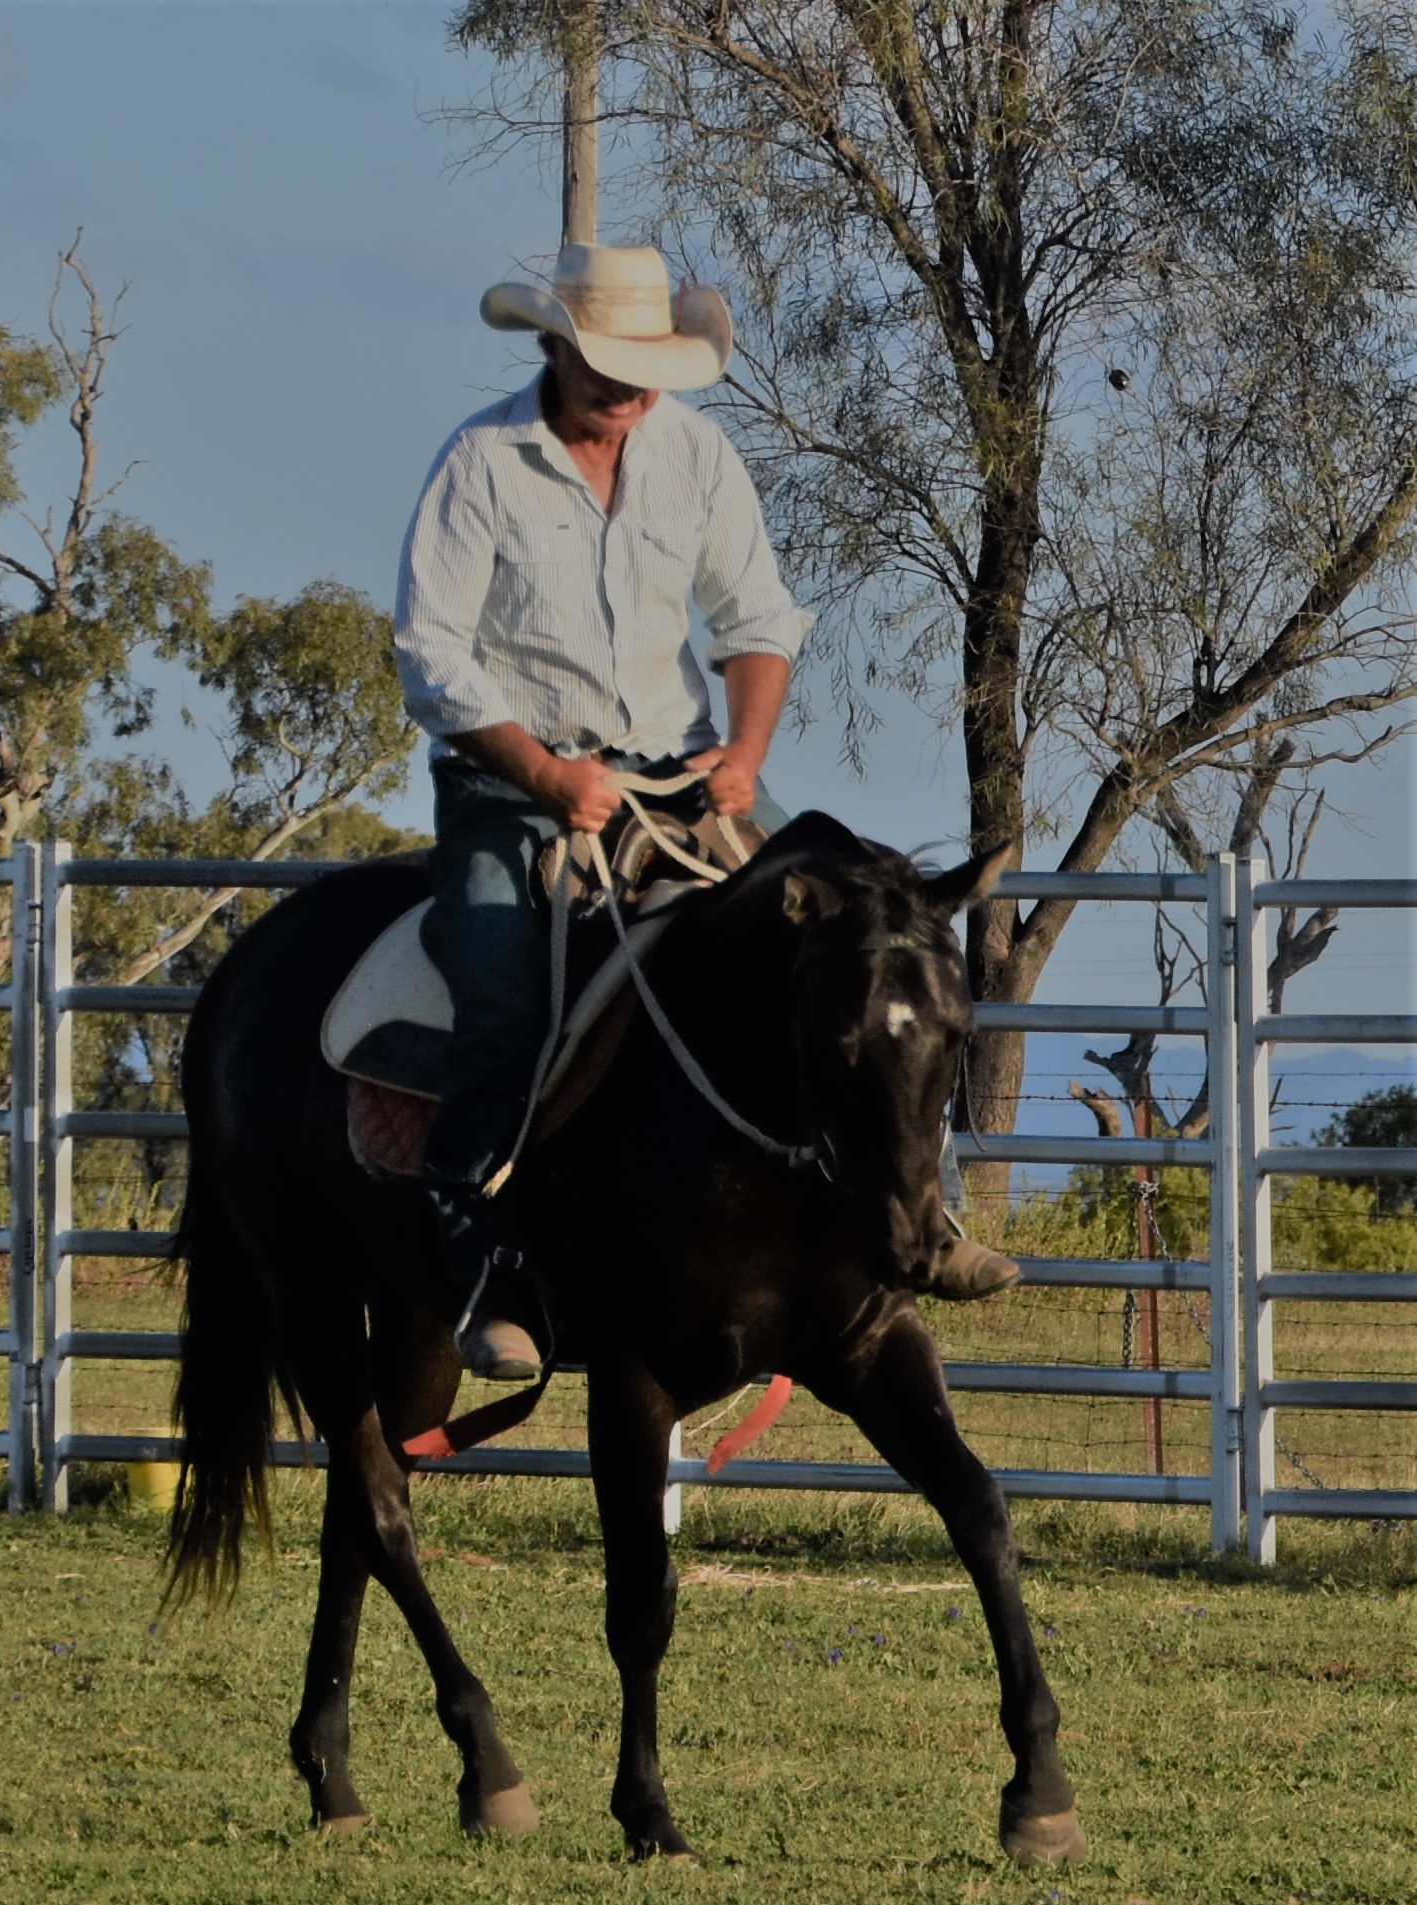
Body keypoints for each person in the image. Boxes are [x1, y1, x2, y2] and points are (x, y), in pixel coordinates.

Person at [395, 242, 1015, 1381]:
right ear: (556, 349)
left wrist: (746, 751)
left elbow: (757, 618)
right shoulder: (481, 462)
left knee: (854, 945)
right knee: (502, 1001)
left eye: (646, 371)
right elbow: (431, 655)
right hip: (511, 788)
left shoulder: (694, 453)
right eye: (607, 366)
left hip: (680, 775)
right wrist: (547, 776)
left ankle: (918, 1216)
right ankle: (477, 1249)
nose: (629, 391)